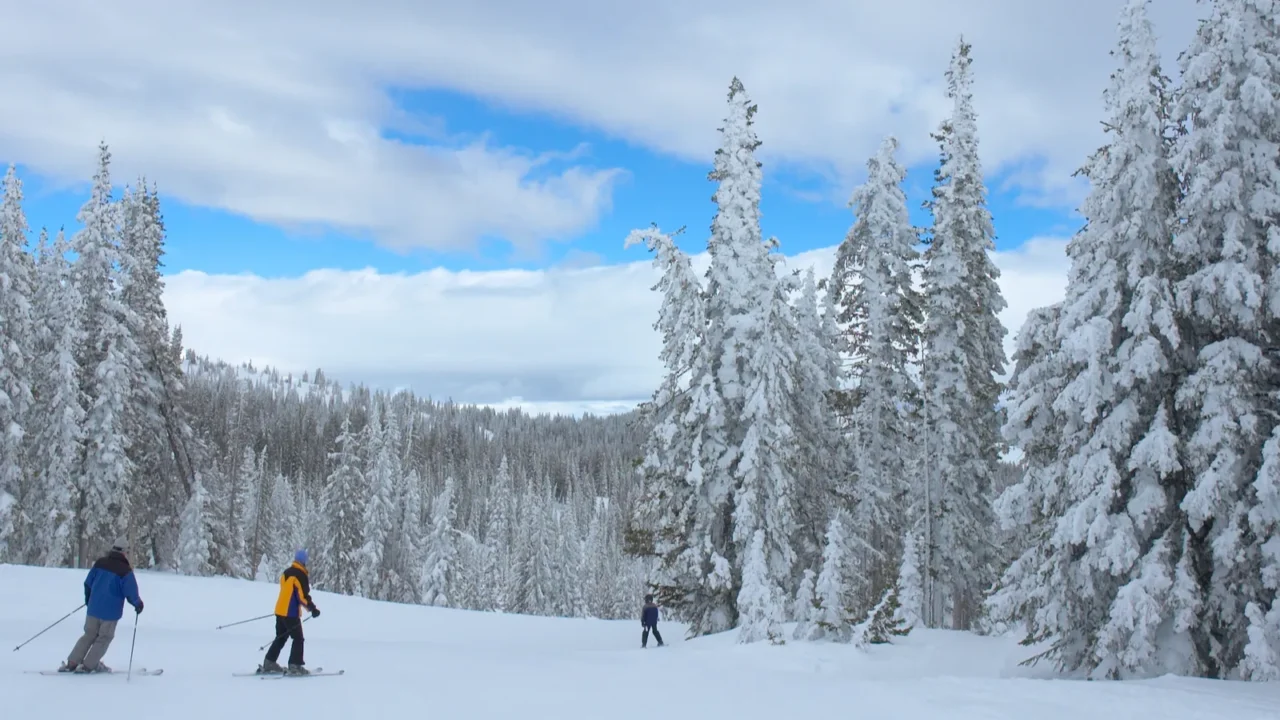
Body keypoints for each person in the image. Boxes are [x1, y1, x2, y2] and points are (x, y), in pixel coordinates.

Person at [60, 542, 144, 673]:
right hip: (110, 613)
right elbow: (130, 591)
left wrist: (88, 599)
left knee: (89, 634)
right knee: (104, 638)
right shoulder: (125, 570)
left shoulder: (100, 563)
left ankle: (72, 662)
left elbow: (88, 583)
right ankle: (88, 665)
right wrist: (138, 604)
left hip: (93, 608)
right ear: (124, 552)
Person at [259, 549, 320, 675]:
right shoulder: (300, 575)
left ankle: (269, 662)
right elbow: (302, 596)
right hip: (290, 613)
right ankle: (295, 665)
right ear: (304, 561)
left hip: (280, 610)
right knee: (298, 638)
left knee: (281, 637)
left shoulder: (286, 573)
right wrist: (312, 609)